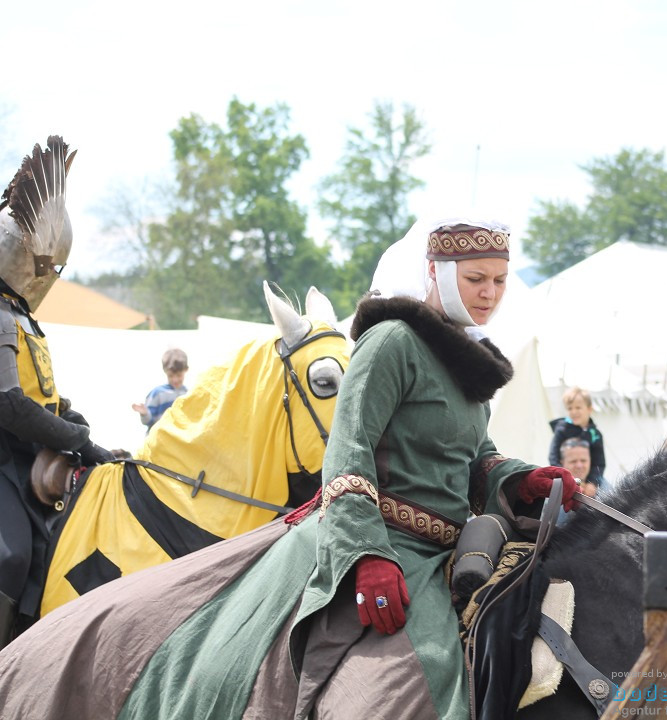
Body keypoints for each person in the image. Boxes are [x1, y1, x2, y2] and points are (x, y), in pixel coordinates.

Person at [0, 216, 579, 720]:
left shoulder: (468, 363)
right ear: (438, 274)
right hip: (378, 545)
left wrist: (520, 477)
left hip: (451, 550)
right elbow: (346, 453)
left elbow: (474, 457)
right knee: (407, 683)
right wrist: (367, 555)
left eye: (500, 281)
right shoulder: (393, 343)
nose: (490, 293)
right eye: (476, 279)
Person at [0, 136, 114, 649]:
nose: (50, 280)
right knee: (11, 556)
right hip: (4, 458)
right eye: (47, 269)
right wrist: (74, 437)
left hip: (30, 459)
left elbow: (40, 394)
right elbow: (7, 403)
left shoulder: (21, 316)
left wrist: (77, 421)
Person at [548, 386, 606, 488]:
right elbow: (553, 457)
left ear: (589, 409)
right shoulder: (562, 430)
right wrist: (567, 479)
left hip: (590, 481)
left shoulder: (595, 435)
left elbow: (599, 462)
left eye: (578, 407)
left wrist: (592, 483)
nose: (574, 412)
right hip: (565, 479)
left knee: (609, 493)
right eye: (570, 408)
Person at [131, 348, 189, 430]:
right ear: (165, 371)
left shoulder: (188, 394)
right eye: (171, 376)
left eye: (179, 375)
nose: (175, 380)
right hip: (160, 440)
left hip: (177, 440)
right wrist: (144, 413)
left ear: (186, 370)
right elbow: (148, 421)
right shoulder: (158, 393)